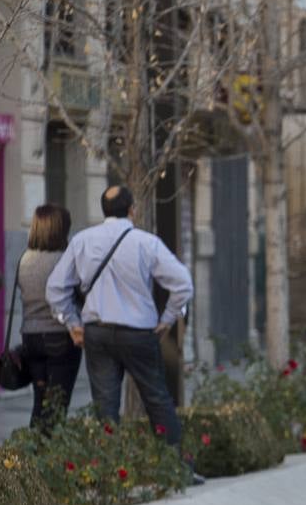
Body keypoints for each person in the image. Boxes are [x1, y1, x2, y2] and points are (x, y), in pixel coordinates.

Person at [46, 186, 193, 456]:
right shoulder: (146, 242)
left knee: (105, 406)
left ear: (104, 210)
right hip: (139, 332)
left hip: (97, 332)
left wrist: (71, 323)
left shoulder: (82, 240)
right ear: (131, 210)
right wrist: (168, 319)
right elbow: (183, 284)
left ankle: (110, 473)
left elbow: (55, 288)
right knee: (157, 399)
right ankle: (176, 466)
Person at [17, 204, 82, 431]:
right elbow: (79, 294)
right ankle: (49, 458)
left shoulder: (25, 259)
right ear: (59, 229)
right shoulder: (64, 260)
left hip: (30, 338)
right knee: (56, 405)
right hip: (59, 338)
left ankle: (32, 455)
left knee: (40, 400)